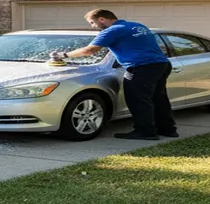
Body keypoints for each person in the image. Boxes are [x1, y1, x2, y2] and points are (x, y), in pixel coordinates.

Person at [52, 9, 177, 141]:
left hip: (141, 67)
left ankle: (146, 132)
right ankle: (168, 129)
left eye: (92, 23)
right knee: (159, 98)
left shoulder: (113, 30)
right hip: (161, 64)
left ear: (101, 19)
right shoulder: (137, 26)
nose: (93, 26)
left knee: (138, 100)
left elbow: (90, 50)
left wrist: (63, 55)